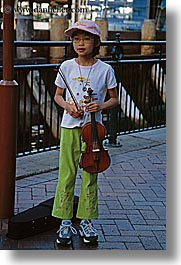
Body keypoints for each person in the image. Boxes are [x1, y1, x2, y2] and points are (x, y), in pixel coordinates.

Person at [52, 20, 118, 245]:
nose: (80, 43)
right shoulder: (66, 67)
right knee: (67, 173)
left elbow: (114, 99)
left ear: (96, 42)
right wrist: (68, 106)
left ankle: (86, 219)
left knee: (91, 173)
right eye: (76, 39)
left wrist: (99, 106)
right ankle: (64, 220)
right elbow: (58, 96)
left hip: (94, 131)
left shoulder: (106, 69)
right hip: (70, 126)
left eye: (86, 39)